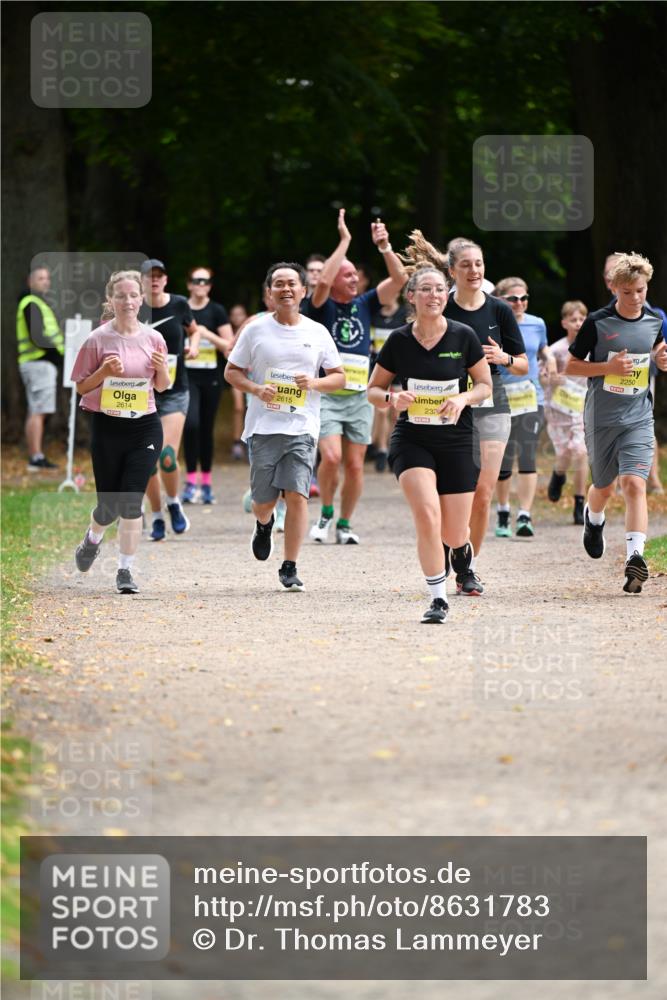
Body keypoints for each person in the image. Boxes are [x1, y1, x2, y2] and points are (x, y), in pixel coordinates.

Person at [367, 265, 492, 623]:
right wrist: (392, 400)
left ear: (446, 295)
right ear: (412, 296)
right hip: (412, 439)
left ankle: (460, 549)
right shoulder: (399, 340)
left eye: (439, 289)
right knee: (426, 514)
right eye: (425, 289)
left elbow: (485, 386)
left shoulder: (463, 335)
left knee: (454, 533)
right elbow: (373, 391)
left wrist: (463, 399)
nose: (433, 295)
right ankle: (438, 598)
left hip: (456, 440)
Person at [225, 262, 345, 591]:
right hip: (263, 426)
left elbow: (339, 378)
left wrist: (315, 383)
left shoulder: (317, 332)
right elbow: (231, 371)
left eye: (292, 283)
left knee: (297, 495)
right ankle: (264, 525)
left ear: (304, 291)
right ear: (269, 293)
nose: (286, 289)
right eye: (279, 284)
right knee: (263, 501)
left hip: (303, 426)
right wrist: (255, 389)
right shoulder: (255, 330)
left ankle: (290, 565)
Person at [565, 252, 667, 594]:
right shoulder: (598, 322)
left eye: (640, 290)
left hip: (638, 415)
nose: (635, 298)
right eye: (627, 292)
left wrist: (662, 358)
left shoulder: (655, 320)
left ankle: (635, 559)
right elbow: (572, 366)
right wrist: (606, 368)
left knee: (634, 484)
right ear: (615, 289)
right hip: (601, 417)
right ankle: (593, 521)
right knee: (605, 486)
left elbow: (657, 350)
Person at [305, 208, 407, 544]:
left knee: (354, 465)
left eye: (355, 276)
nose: (353, 279)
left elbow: (400, 280)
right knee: (331, 457)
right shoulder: (321, 306)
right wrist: (345, 240)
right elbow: (321, 281)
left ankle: (345, 523)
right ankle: (325, 515)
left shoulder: (364, 303)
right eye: (346, 275)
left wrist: (384, 246)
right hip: (329, 395)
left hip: (360, 397)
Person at [438, 236, 528, 592]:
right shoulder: (440, 308)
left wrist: (503, 358)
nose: (473, 270)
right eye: (465, 265)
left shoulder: (499, 310)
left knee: (484, 490)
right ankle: (450, 547)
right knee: (452, 489)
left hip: (492, 402)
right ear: (452, 271)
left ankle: (466, 568)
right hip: (447, 404)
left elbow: (522, 364)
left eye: (478, 264)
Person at [71, 270, 170, 593]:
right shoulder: (97, 339)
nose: (127, 301)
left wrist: (162, 369)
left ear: (141, 299)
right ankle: (92, 538)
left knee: (130, 501)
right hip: (107, 426)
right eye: (121, 296)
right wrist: (103, 371)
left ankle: (125, 571)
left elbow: (163, 386)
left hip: (145, 426)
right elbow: (81, 387)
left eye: (133, 295)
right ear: (110, 301)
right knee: (108, 507)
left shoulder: (154, 338)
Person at [138, 259, 201, 540]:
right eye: (149, 277)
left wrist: (194, 346)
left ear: (165, 280)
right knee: (148, 460)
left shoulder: (178, 304)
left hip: (175, 390)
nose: (154, 281)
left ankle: (174, 503)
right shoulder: (134, 308)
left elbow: (194, 329)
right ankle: (156, 515)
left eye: (159, 276)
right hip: (142, 392)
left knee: (165, 456)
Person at [494, 276, 557, 538]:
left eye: (524, 298)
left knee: (528, 454)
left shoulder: (537, 323)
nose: (519, 303)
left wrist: (550, 359)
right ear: (501, 299)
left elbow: (543, 349)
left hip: (531, 396)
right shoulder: (493, 322)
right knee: (505, 458)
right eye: (513, 299)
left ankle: (525, 515)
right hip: (501, 395)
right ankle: (503, 511)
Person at [182, 266, 234, 504]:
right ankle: (190, 481)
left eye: (205, 281)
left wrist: (204, 333)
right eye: (196, 280)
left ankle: (206, 483)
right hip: (186, 376)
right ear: (189, 284)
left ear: (210, 285)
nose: (201, 285)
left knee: (205, 429)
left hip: (211, 378)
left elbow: (230, 346)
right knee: (191, 425)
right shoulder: (181, 307)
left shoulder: (217, 310)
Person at [542, 300, 589, 524]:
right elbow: (542, 378)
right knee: (565, 453)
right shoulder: (556, 350)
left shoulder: (592, 348)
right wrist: (552, 378)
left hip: (581, 408)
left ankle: (579, 504)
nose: (578, 323)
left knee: (580, 451)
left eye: (581, 319)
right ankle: (558, 474)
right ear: (564, 323)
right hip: (558, 409)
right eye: (573, 319)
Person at [16, 264, 64, 470]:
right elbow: (38, 337)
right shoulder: (31, 303)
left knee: (36, 410)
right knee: (38, 411)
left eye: (47, 278)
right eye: (40, 278)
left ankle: (36, 455)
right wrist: (57, 355)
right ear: (30, 281)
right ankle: (36, 457)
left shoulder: (38, 303)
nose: (45, 281)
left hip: (38, 364)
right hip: (39, 364)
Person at [369, 292, 407, 472]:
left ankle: (394, 449)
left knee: (396, 412)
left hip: (400, 367)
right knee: (381, 410)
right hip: (380, 367)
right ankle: (382, 450)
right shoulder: (374, 315)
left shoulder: (404, 314)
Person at [228, 304, 250, 461]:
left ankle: (249, 440)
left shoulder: (251, 330)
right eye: (234, 315)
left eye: (240, 314)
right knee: (238, 407)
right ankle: (237, 442)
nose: (237, 318)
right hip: (236, 374)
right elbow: (228, 351)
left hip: (253, 376)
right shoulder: (229, 334)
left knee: (251, 408)